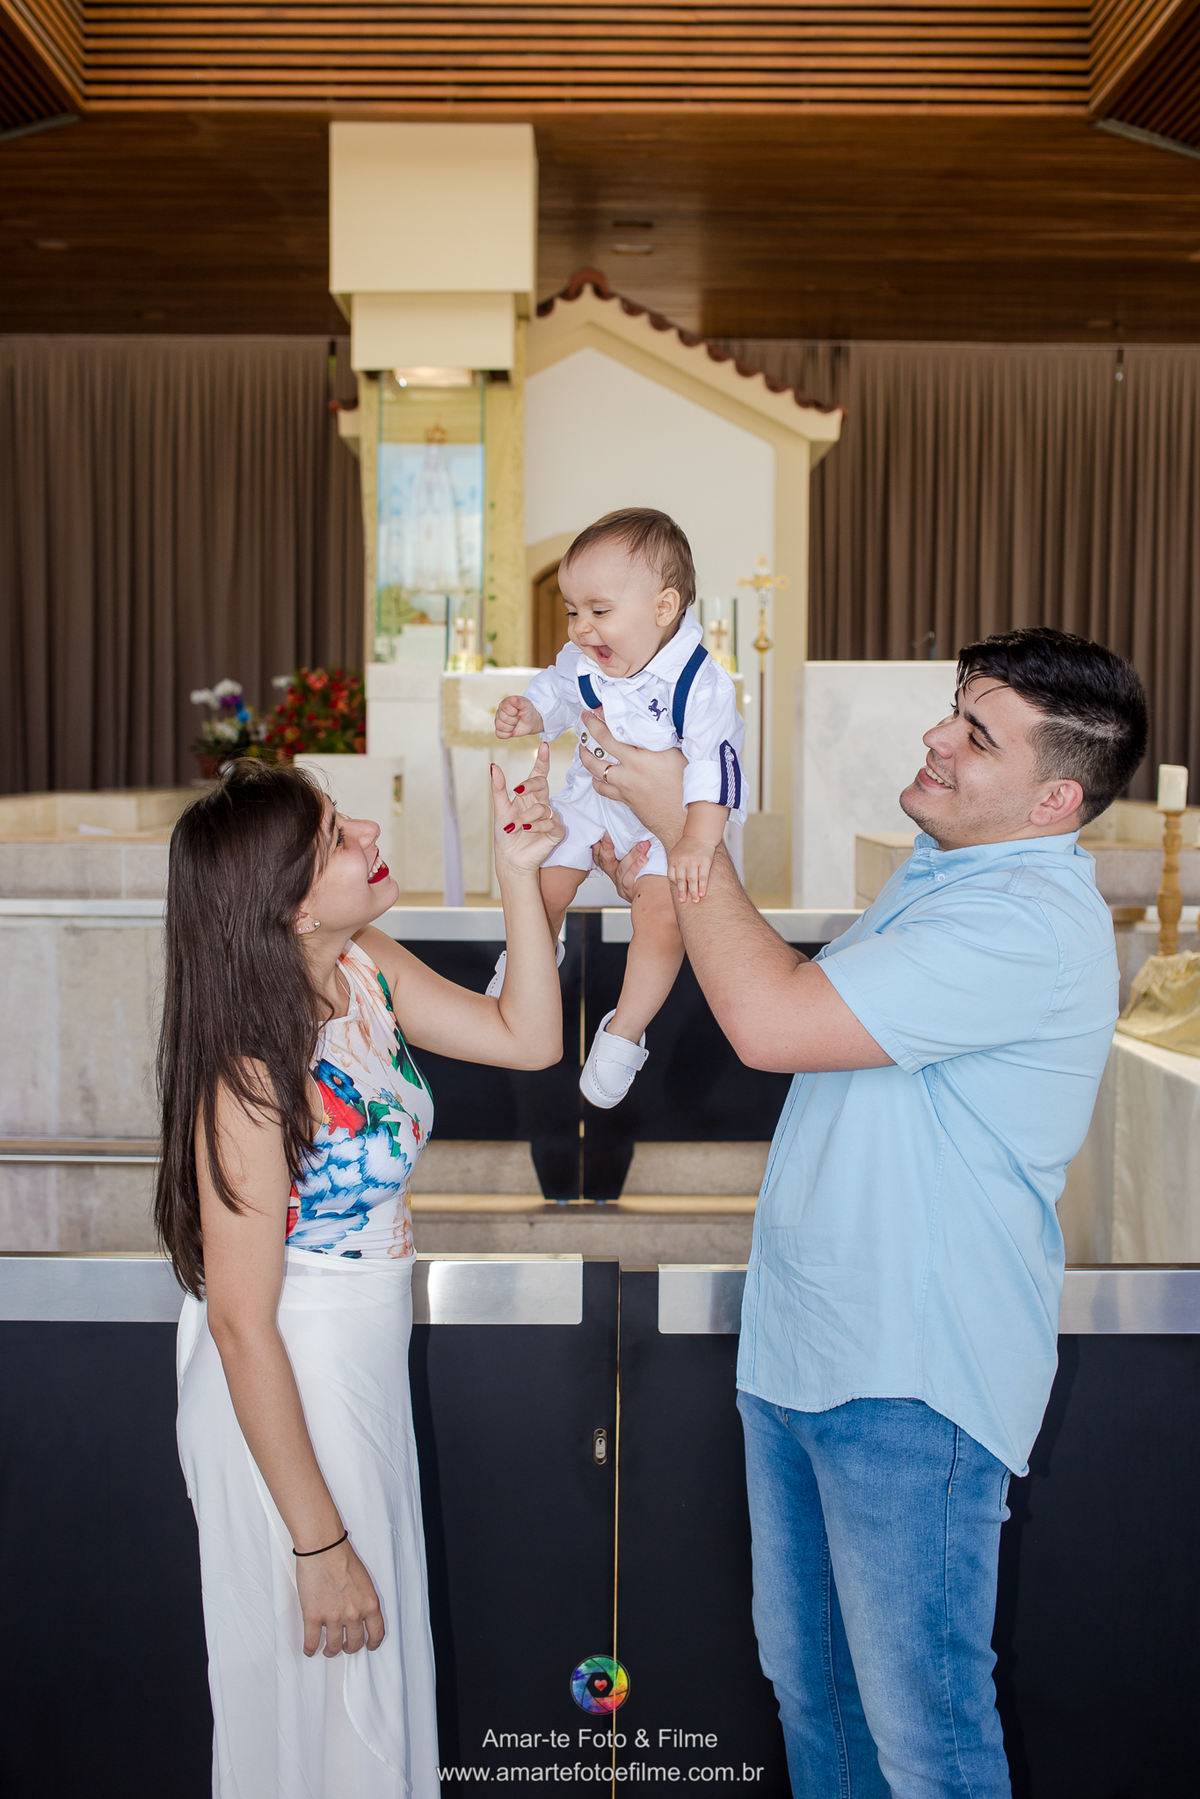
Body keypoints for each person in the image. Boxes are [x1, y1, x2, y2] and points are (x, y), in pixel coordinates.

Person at [583, 627, 1147, 1798]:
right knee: (820, 1705)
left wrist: (693, 829)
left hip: (911, 1376)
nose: (937, 736)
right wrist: (661, 857)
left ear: (1055, 798)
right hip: (811, 1353)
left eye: (977, 735)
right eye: (955, 710)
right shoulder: (946, 870)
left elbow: (774, 1023)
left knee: (925, 1739)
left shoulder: (1025, 921)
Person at [154, 750, 563, 1799]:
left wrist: (519, 875)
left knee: (370, 1691)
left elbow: (526, 1038)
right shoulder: (249, 1073)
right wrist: (319, 1543)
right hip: (285, 1391)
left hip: (356, 1373)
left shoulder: (362, 967)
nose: (371, 834)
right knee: (320, 1709)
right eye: (338, 836)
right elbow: (242, 1325)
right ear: (291, 906)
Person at [494, 507, 746, 1108]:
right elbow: (558, 690)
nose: (582, 629)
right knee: (542, 881)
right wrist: (532, 712)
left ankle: (624, 1032)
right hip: (594, 797)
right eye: (572, 612)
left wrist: (695, 839)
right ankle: (529, 963)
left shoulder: (698, 683)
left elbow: (715, 765)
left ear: (663, 608)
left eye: (599, 611)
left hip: (671, 820)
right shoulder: (586, 660)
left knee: (663, 919)